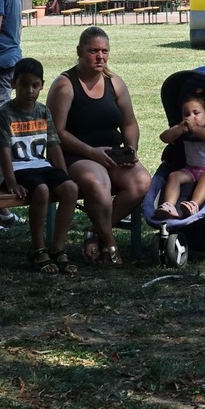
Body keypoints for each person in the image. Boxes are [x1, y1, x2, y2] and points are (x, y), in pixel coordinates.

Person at [48, 26, 151, 265]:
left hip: (112, 154)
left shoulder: (114, 82)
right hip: (75, 154)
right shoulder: (65, 85)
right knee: (97, 181)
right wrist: (92, 152)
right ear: (79, 51)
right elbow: (56, 132)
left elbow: (129, 122)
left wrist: (130, 149)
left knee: (142, 181)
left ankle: (95, 232)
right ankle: (110, 243)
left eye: (104, 51)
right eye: (93, 51)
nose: (100, 57)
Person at [0, 57, 80, 274]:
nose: (29, 91)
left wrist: (63, 174)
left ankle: (57, 247)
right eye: (24, 84)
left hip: (40, 165)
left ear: (42, 85)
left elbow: (53, 145)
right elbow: (4, 152)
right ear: (14, 84)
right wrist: (10, 182)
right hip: (16, 168)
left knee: (70, 188)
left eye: (35, 85)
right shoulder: (5, 113)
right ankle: (37, 247)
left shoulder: (43, 111)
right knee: (41, 190)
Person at [156, 92, 205, 219]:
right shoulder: (183, 128)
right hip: (191, 169)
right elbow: (164, 137)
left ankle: (194, 205)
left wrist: (194, 128)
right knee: (174, 176)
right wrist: (179, 129)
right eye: (186, 114)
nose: (191, 117)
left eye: (196, 113)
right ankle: (169, 206)